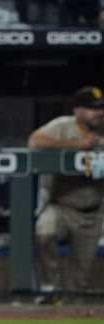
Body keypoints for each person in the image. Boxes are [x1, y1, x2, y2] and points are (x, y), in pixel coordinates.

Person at [27, 86, 104, 304]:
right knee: (45, 230)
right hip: (60, 205)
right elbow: (34, 143)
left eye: (101, 108)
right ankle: (49, 288)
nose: (99, 113)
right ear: (77, 111)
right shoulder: (63, 126)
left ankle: (68, 308)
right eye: (92, 109)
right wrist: (77, 145)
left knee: (77, 282)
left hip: (92, 211)